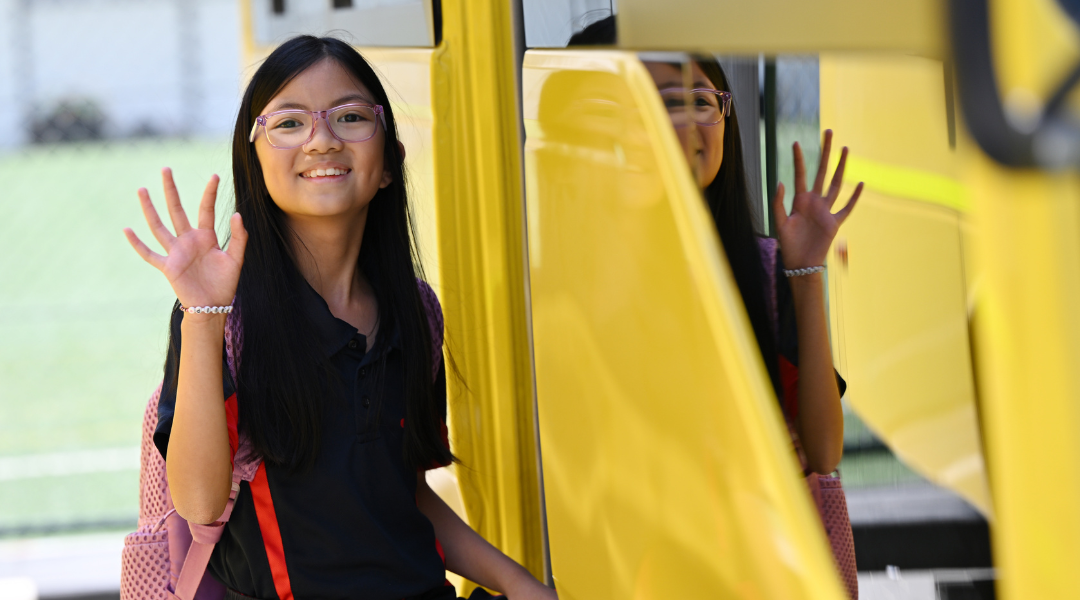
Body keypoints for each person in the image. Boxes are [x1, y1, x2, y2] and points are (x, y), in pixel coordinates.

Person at [123, 35, 557, 600]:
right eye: (289, 123)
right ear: (255, 167)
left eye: (350, 117)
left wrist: (519, 584)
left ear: (389, 163)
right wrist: (202, 316)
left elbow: (406, 496)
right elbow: (199, 504)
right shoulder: (227, 319)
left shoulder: (417, 312)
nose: (322, 140)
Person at [571, 16, 858, 480]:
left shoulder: (762, 270)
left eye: (698, 101)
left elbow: (823, 453)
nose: (678, 125)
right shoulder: (563, 278)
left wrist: (806, 272)